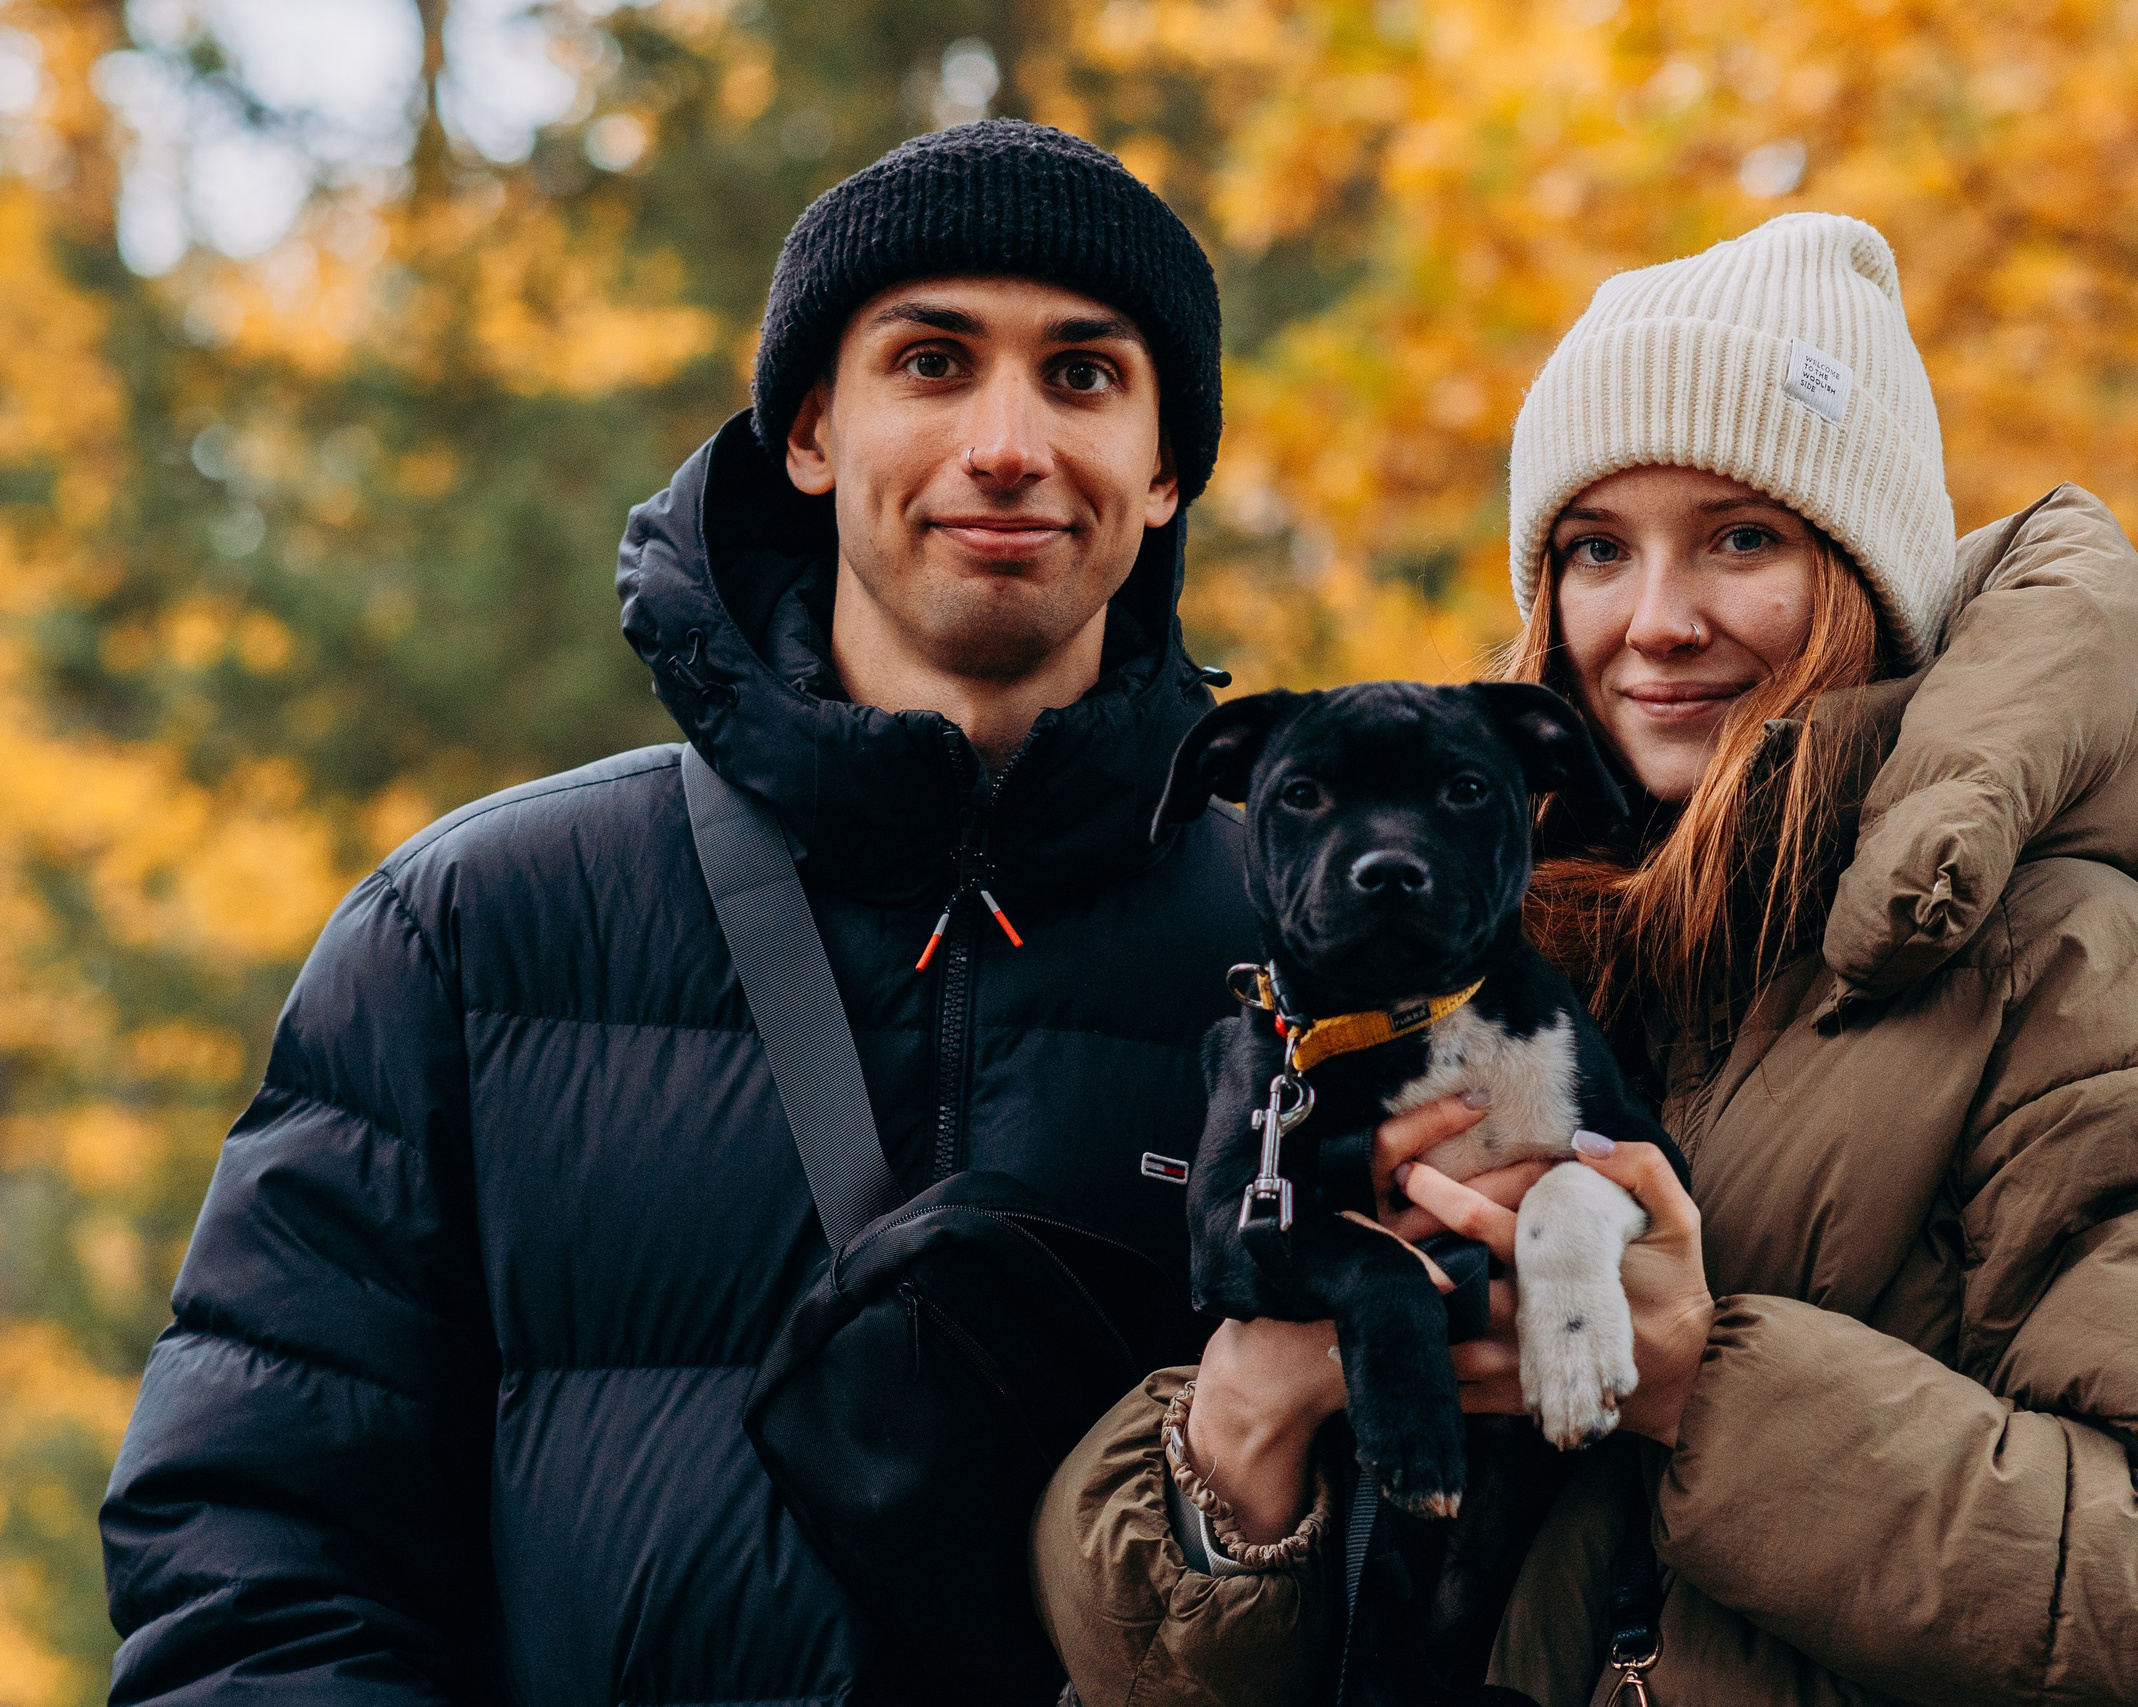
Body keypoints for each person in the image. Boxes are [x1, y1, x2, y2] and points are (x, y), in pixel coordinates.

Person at [96, 119, 1448, 1704]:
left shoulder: (1331, 969)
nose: (1006, 442)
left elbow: (1461, 1580)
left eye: (1082, 374)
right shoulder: (474, 929)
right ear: (810, 432)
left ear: (1164, 471)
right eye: (932, 363)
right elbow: (255, 1562)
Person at [1030, 212, 2138, 1706]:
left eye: (1742, 538)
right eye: (1597, 551)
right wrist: (1237, 1440)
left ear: (1866, 583)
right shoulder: (1464, 963)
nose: (1656, 622)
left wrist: (1701, 1380)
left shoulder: (2109, 1012)